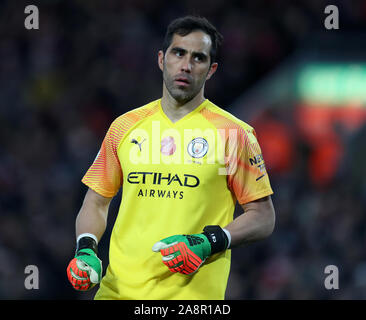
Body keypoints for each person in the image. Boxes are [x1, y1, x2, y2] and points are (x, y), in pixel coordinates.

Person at [66, 15, 275, 300]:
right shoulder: (125, 126)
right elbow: (96, 201)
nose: (186, 66)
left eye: (198, 58)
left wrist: (208, 242)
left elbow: (263, 217)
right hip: (115, 293)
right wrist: (86, 248)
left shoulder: (233, 134)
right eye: (179, 53)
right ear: (162, 59)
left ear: (211, 70)